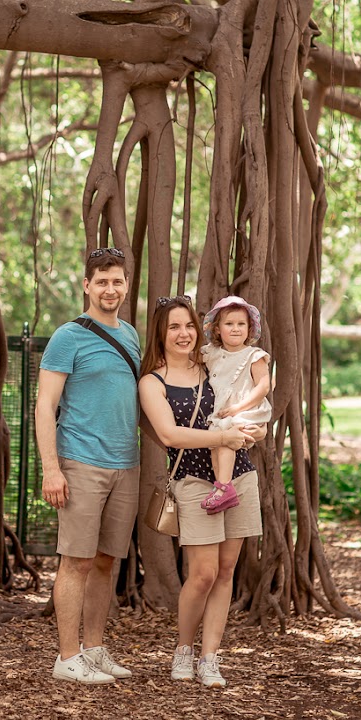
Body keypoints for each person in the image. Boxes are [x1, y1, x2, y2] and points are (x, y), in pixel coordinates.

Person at [138, 295, 266, 688]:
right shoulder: (152, 381)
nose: (183, 334)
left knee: (226, 571)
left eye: (189, 325)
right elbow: (169, 434)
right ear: (160, 333)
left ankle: (210, 657)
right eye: (174, 327)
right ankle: (183, 648)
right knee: (203, 575)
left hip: (238, 475)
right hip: (193, 481)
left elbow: (246, 410)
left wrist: (252, 431)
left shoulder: (214, 363)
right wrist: (224, 434)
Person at [35, 247, 141, 685]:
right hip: (80, 462)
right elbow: (45, 404)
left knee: (105, 562)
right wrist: (51, 468)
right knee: (75, 561)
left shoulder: (133, 335)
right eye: (101, 281)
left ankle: (94, 650)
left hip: (126, 465)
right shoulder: (69, 336)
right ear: (86, 285)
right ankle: (66, 656)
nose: (109, 289)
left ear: (126, 284)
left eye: (116, 281)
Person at [199, 295, 272, 515]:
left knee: (226, 439)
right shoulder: (211, 353)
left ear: (250, 329)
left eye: (241, 324)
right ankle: (221, 485)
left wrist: (238, 408)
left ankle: (224, 486)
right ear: (218, 328)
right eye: (229, 324)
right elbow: (190, 361)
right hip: (224, 412)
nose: (235, 329)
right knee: (217, 442)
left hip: (247, 409)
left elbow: (263, 387)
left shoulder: (254, 355)